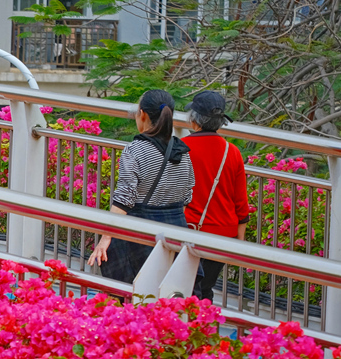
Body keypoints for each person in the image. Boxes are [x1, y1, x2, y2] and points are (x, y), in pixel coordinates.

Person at [87, 89, 195, 283]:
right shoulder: (182, 151)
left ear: (142, 114)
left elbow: (124, 199)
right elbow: (186, 196)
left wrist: (105, 238)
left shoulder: (135, 150)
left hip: (139, 236)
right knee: (168, 294)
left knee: (133, 292)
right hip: (175, 235)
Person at [182, 91, 249, 302]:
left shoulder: (181, 148)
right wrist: (240, 238)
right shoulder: (232, 151)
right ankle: (205, 319)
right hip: (222, 234)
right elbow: (241, 201)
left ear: (194, 119)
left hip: (189, 229)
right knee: (206, 287)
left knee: (184, 285)